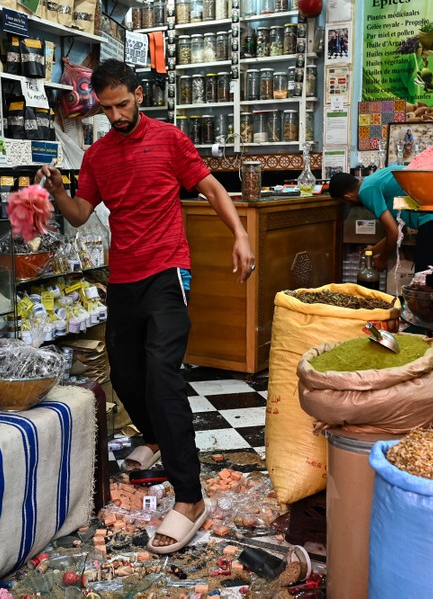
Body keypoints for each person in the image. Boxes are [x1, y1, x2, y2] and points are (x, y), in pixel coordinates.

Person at [35, 59, 255, 555]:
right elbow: (78, 215)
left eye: (123, 104)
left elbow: (212, 187)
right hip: (125, 277)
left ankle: (191, 498)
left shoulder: (170, 140)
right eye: (107, 108)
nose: (115, 115)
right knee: (128, 376)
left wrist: (239, 233)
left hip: (167, 271)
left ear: (139, 95)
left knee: (162, 374)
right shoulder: (97, 155)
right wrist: (57, 190)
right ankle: (154, 436)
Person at [329, 167, 433, 273]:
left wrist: (382, 259)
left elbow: (393, 232)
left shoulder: (366, 191)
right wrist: (375, 249)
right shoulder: (375, 180)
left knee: (428, 277)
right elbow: (400, 229)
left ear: (347, 197)